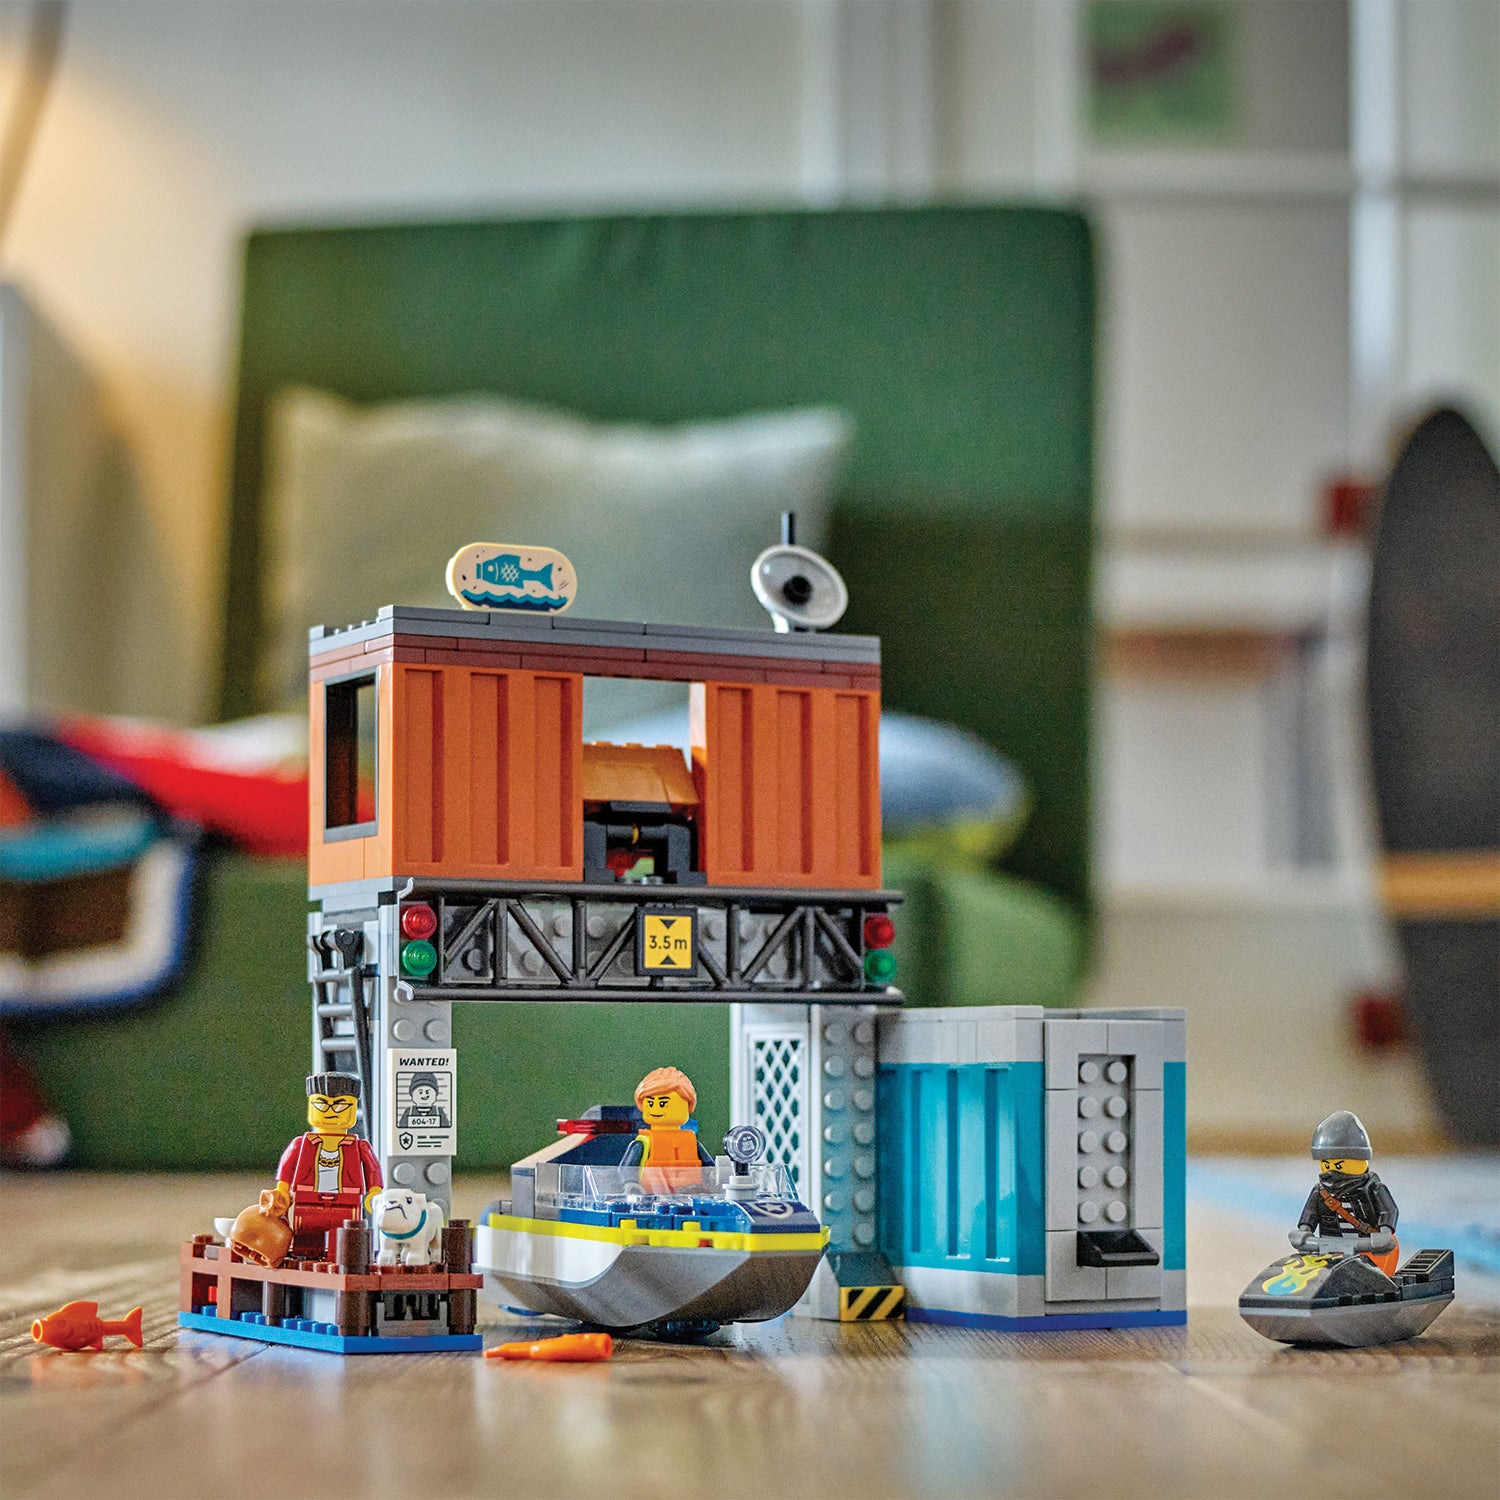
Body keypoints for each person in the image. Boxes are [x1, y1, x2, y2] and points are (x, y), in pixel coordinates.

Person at [271, 1072, 383, 1260]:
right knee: (306, 1240)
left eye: (340, 1106)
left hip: (347, 1202)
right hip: (308, 1200)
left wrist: (375, 1192)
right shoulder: (301, 1144)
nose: (331, 1111)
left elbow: (373, 1169)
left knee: (343, 1246)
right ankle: (306, 1261)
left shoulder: (360, 1147)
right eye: (321, 1105)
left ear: (353, 1108)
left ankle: (340, 1260)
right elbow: (286, 1167)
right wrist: (282, 1190)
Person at [1290, 1110, 1400, 1276]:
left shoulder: (1375, 1189)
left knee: (1374, 1272)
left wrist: (1384, 1234)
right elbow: (1310, 1214)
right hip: (1328, 1251)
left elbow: (1389, 1211)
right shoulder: (1320, 1192)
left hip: (1367, 1249)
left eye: (1339, 1166)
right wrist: (1304, 1232)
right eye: (1326, 1165)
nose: (1331, 1172)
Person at [620, 1066, 714, 1194]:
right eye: (650, 1104)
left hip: (690, 1194)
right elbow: (627, 1168)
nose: (656, 1110)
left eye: (663, 1104)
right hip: (653, 1194)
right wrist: (630, 1183)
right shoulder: (644, 1142)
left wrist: (713, 1175)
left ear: (688, 1105)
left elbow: (709, 1166)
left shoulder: (691, 1141)